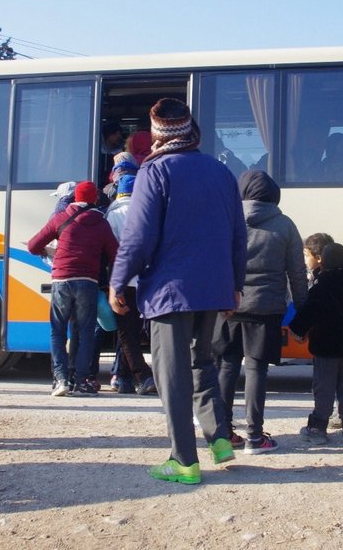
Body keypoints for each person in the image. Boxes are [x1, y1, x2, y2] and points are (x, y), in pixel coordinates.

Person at [109, 97, 247, 485]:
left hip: (171, 290)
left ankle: (183, 460)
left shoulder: (155, 171)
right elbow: (239, 235)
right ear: (190, 131)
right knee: (200, 362)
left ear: (156, 137)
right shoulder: (222, 173)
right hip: (214, 287)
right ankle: (219, 439)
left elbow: (138, 237)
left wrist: (119, 281)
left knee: (171, 375)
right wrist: (235, 285)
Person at [213, 169, 308, 454]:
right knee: (256, 370)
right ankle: (255, 437)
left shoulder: (226, 220)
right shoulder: (284, 225)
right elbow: (298, 273)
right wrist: (302, 312)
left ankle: (223, 434)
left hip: (227, 307)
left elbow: (213, 264)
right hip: (266, 309)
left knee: (226, 367)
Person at [28, 180, 118, 397]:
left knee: (58, 330)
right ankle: (81, 381)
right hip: (87, 281)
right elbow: (116, 253)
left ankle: (60, 380)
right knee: (85, 331)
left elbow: (33, 246)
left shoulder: (61, 218)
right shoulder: (101, 223)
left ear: (75, 198)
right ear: (95, 199)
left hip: (61, 280)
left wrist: (47, 251)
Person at [289, 242, 343, 445]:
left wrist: (298, 332)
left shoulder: (321, 288)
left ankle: (318, 428)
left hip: (325, 349)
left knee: (324, 388)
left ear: (324, 264)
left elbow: (305, 317)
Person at [104, 174, 156, 395]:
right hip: (146, 280)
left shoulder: (111, 215)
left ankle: (138, 376)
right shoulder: (147, 213)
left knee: (127, 331)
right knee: (139, 330)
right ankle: (126, 377)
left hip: (121, 281)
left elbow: (110, 251)